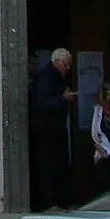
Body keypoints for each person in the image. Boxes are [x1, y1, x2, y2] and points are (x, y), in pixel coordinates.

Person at [29, 47, 77, 210]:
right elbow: (42, 104)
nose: (69, 69)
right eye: (66, 65)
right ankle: (48, 203)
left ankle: (62, 201)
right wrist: (62, 98)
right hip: (46, 131)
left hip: (56, 129)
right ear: (57, 62)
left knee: (60, 166)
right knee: (48, 168)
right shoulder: (45, 78)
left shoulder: (55, 77)